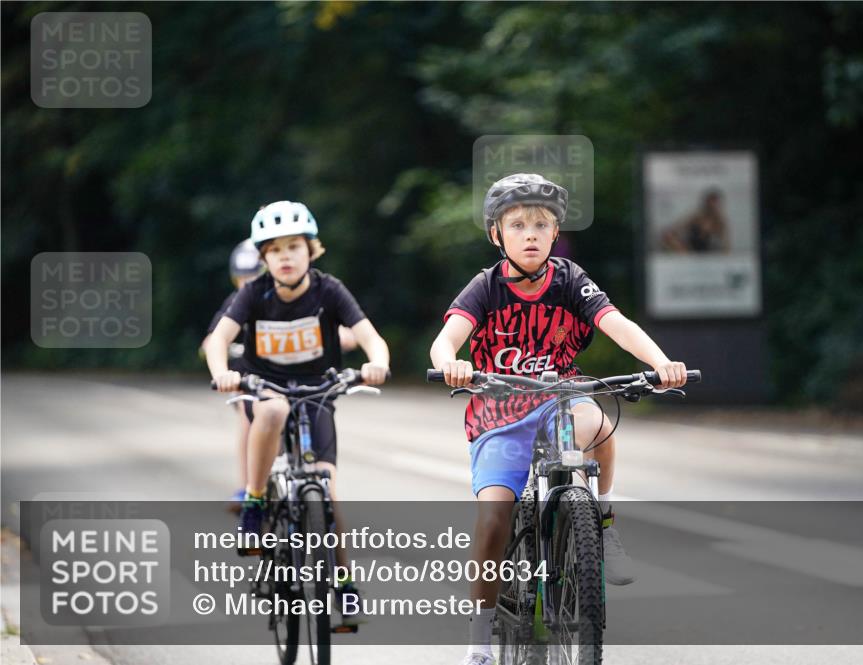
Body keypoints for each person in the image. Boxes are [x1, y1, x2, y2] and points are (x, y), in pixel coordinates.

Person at [429, 173, 688, 665]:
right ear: (496, 234)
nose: (530, 234)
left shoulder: (570, 279)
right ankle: (479, 643)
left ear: (555, 233)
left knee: (600, 423)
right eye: (517, 225)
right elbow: (447, 339)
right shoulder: (485, 287)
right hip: (500, 411)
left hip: (560, 399)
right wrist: (451, 364)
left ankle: (601, 523)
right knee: (493, 518)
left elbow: (617, 324)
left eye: (541, 225)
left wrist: (660, 363)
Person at [204, 201, 390, 556]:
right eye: (275, 250)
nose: (285, 256)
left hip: (316, 392)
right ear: (264, 258)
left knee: (327, 493)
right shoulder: (253, 292)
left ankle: (342, 579)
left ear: (311, 250)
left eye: (294, 246)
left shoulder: (329, 289)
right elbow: (218, 340)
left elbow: (370, 337)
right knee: (274, 410)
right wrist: (222, 374)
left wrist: (377, 363)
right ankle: (254, 502)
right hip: (265, 388)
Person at [202, 239, 359, 511]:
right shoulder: (244, 297)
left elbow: (346, 330)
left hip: (303, 377)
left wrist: (344, 336)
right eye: (242, 278)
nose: (247, 282)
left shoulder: (320, 292)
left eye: (251, 275)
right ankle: (249, 486)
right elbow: (214, 338)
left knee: (326, 487)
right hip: (252, 377)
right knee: (251, 417)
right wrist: (222, 369)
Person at [660, 187, 730, 253]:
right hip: (691, 250)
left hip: (707, 252)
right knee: (668, 236)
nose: (712, 205)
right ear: (706, 203)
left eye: (714, 203)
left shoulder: (719, 221)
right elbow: (677, 227)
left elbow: (725, 242)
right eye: (710, 202)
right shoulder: (696, 217)